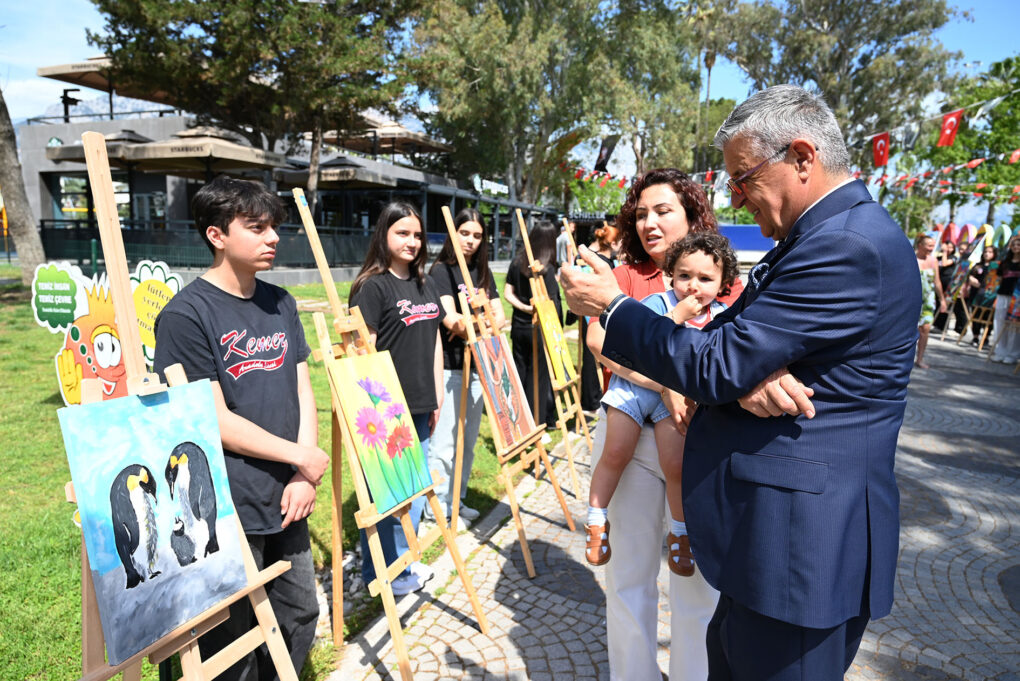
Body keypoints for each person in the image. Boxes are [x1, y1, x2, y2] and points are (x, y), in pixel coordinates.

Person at [562, 84, 921, 681]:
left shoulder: (846, 244)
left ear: (801, 156)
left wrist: (614, 306)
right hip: (767, 546)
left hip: (800, 555)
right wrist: (741, 374)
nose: (734, 196)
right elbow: (728, 344)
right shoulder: (816, 237)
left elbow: (718, 360)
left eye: (744, 177)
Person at [153, 176, 328, 679]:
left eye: (274, 227)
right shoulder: (185, 316)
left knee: (299, 615)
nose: (272, 237)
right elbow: (211, 418)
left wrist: (304, 472)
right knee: (229, 643)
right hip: (224, 504)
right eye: (256, 227)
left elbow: (303, 391)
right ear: (216, 235)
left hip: (289, 494)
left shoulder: (281, 302)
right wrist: (299, 457)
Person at [580, 167, 741, 681]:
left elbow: (733, 356)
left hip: (695, 441)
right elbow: (600, 344)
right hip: (627, 434)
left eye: (663, 210)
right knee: (628, 578)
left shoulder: (721, 277)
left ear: (692, 214)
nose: (649, 222)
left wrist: (672, 373)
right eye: (641, 213)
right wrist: (668, 380)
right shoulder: (625, 277)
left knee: (698, 582)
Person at [586, 232, 739, 579]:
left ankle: (680, 535)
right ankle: (596, 519)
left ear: (723, 283)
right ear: (671, 274)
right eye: (684, 275)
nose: (693, 286)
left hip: (673, 402)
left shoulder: (722, 316)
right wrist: (677, 315)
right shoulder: (657, 302)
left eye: (705, 279)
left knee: (676, 465)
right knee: (616, 452)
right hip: (634, 390)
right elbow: (646, 343)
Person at [349, 201, 443, 595]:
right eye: (402, 233)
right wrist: (375, 410)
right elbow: (361, 354)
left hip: (422, 404)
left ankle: (405, 560)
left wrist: (437, 396)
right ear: (383, 234)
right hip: (387, 410)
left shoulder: (426, 283)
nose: (412, 241)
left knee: (414, 489)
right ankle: (382, 570)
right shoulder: (372, 287)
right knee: (388, 491)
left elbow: (434, 340)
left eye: (417, 234)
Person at [427, 207, 506, 524]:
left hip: (479, 367)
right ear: (453, 233)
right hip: (450, 368)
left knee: (467, 441)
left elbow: (500, 317)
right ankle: (437, 509)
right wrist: (477, 321)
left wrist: (476, 322)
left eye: (477, 235)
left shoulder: (482, 273)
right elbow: (452, 321)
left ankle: (456, 500)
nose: (470, 240)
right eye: (464, 233)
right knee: (444, 443)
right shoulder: (441, 272)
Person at [504, 220, 561, 432]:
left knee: (521, 371)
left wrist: (523, 308)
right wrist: (531, 309)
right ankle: (535, 422)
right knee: (538, 377)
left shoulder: (518, 261)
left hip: (519, 327)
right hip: (538, 328)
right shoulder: (546, 268)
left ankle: (519, 418)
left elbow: (508, 293)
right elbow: (551, 304)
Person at [914, 233, 947, 369]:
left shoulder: (933, 261)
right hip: (912, 298)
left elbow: (937, 282)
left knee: (925, 328)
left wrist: (942, 300)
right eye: (929, 246)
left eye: (933, 246)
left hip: (928, 299)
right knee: (909, 329)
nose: (931, 248)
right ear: (920, 245)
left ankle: (920, 358)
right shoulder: (912, 258)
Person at [990, 234, 1020, 362]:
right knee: (999, 322)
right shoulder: (1005, 262)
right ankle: (1000, 351)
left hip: (1016, 298)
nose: (1016, 247)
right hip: (1002, 295)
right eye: (1013, 245)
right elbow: (998, 277)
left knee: (1013, 325)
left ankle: (1012, 354)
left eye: (1018, 245)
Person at [965, 245, 998, 342]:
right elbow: (970, 275)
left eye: (990, 252)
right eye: (986, 252)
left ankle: (986, 336)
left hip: (989, 296)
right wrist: (971, 279)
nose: (987, 254)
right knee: (976, 314)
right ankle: (975, 336)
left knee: (988, 316)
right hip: (976, 294)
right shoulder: (978, 265)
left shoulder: (996, 266)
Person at [932, 240, 958, 332]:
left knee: (945, 303)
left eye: (951, 247)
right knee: (937, 302)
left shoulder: (953, 258)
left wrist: (945, 252)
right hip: (938, 282)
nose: (948, 249)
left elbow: (944, 263)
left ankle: (942, 326)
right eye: (947, 247)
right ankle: (936, 324)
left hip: (948, 283)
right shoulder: (938, 258)